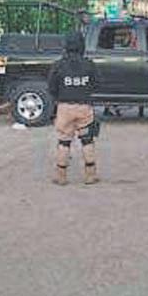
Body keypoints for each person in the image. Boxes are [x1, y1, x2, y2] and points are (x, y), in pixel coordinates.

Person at [47, 31, 100, 185]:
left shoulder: (59, 65)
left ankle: (61, 176)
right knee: (87, 141)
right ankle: (90, 175)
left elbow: (51, 87)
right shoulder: (89, 64)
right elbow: (96, 84)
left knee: (64, 142)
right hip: (84, 107)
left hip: (64, 108)